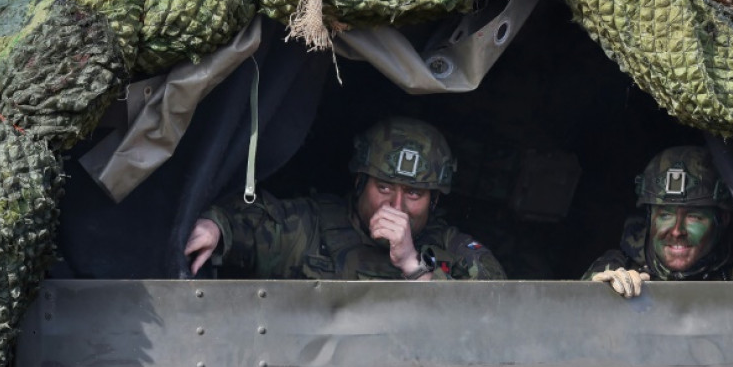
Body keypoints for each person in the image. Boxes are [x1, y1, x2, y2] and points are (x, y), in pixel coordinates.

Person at [185, 116, 506, 280]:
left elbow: (500, 316)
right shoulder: (310, 228)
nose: (396, 207)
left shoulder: (456, 251)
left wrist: (413, 264)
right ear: (359, 183)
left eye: (414, 193)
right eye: (383, 188)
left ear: (434, 201)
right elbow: (250, 223)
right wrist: (217, 227)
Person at [583, 146, 733, 297]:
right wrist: (602, 295)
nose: (676, 231)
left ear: (722, 219)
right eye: (665, 215)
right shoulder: (616, 266)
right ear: (650, 218)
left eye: (694, 217)